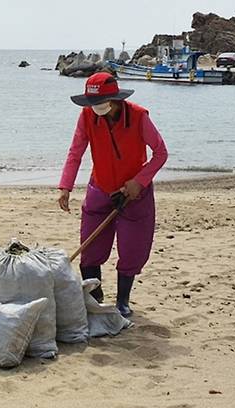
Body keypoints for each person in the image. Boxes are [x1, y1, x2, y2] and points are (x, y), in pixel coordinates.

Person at [57, 71, 168, 317]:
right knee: (91, 248)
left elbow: (160, 153)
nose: (95, 108)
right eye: (91, 103)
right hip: (100, 188)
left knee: (132, 249)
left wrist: (138, 182)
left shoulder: (139, 116)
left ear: (116, 99)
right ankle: (95, 301)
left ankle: (122, 301)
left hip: (133, 194)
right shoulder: (87, 116)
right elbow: (75, 152)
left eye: (99, 103)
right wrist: (66, 186)